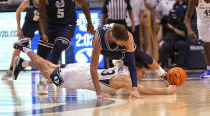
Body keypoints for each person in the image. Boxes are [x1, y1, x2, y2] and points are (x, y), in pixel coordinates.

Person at [12, 39, 176, 96]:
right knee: (46, 70)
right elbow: (140, 89)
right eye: (141, 73)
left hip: (84, 70)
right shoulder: (126, 78)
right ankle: (26, 48)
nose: (141, 76)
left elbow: (117, 63)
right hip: (78, 78)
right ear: (135, 69)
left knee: (51, 65)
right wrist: (165, 91)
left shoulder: (120, 64)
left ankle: (23, 63)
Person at [90, 23, 167, 99]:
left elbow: (132, 63)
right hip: (106, 49)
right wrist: (99, 93)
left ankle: (161, 72)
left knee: (144, 57)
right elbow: (93, 68)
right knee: (121, 56)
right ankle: (118, 60)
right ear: (113, 38)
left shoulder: (128, 37)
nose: (125, 43)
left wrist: (135, 89)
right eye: (123, 42)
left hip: (118, 44)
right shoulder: (98, 41)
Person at [1, 0, 50, 80]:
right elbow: (18, 11)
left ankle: (51, 70)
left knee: (49, 44)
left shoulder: (47, 1)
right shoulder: (28, 1)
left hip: (43, 22)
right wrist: (18, 28)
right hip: (30, 23)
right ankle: (10, 69)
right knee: (19, 45)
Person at [38, 0, 94, 65]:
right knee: (41, 56)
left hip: (67, 25)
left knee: (59, 45)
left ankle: (53, 71)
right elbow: (42, 17)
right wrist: (43, 33)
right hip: (51, 26)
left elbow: (84, 5)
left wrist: (90, 23)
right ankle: (54, 68)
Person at [185, 0, 210, 77]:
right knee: (206, 46)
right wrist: (189, 30)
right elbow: (188, 16)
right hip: (202, 23)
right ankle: (209, 70)